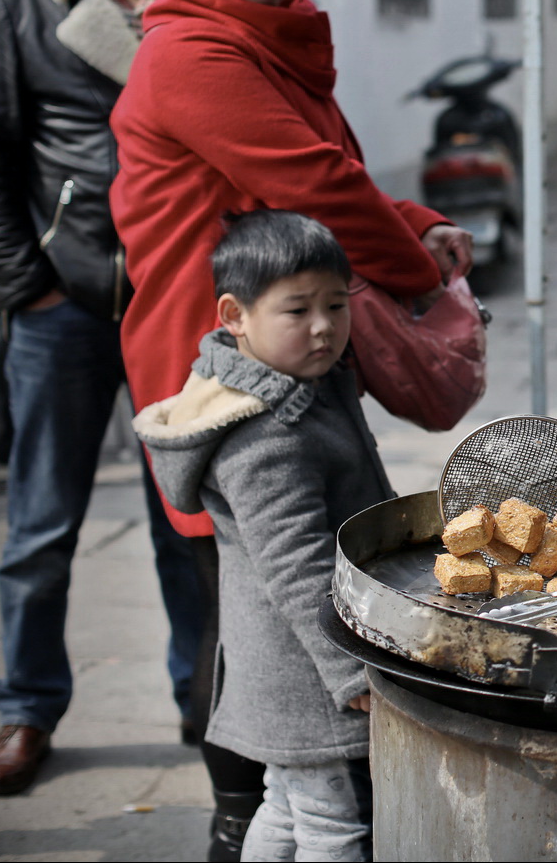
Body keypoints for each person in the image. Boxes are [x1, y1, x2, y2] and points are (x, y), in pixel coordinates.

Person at [109, 0, 469, 858]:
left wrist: (406, 219)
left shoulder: (257, 33)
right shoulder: (191, 51)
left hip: (288, 349)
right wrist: (412, 274)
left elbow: (325, 164)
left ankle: (266, 809)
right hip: (221, 370)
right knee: (249, 603)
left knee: (286, 579)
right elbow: (313, 185)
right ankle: (239, 812)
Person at [0, 0, 204, 797]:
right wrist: (24, 286)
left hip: (183, 300)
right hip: (63, 306)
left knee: (187, 516)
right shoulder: (19, 4)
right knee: (40, 522)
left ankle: (210, 701)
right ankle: (26, 709)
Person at [136, 210, 382, 863]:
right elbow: (296, 568)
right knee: (338, 824)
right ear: (233, 315)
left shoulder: (307, 383)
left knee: (287, 805)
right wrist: (349, 671)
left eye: (337, 304)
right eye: (297, 310)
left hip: (289, 661)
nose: (325, 327)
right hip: (306, 668)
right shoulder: (265, 435)